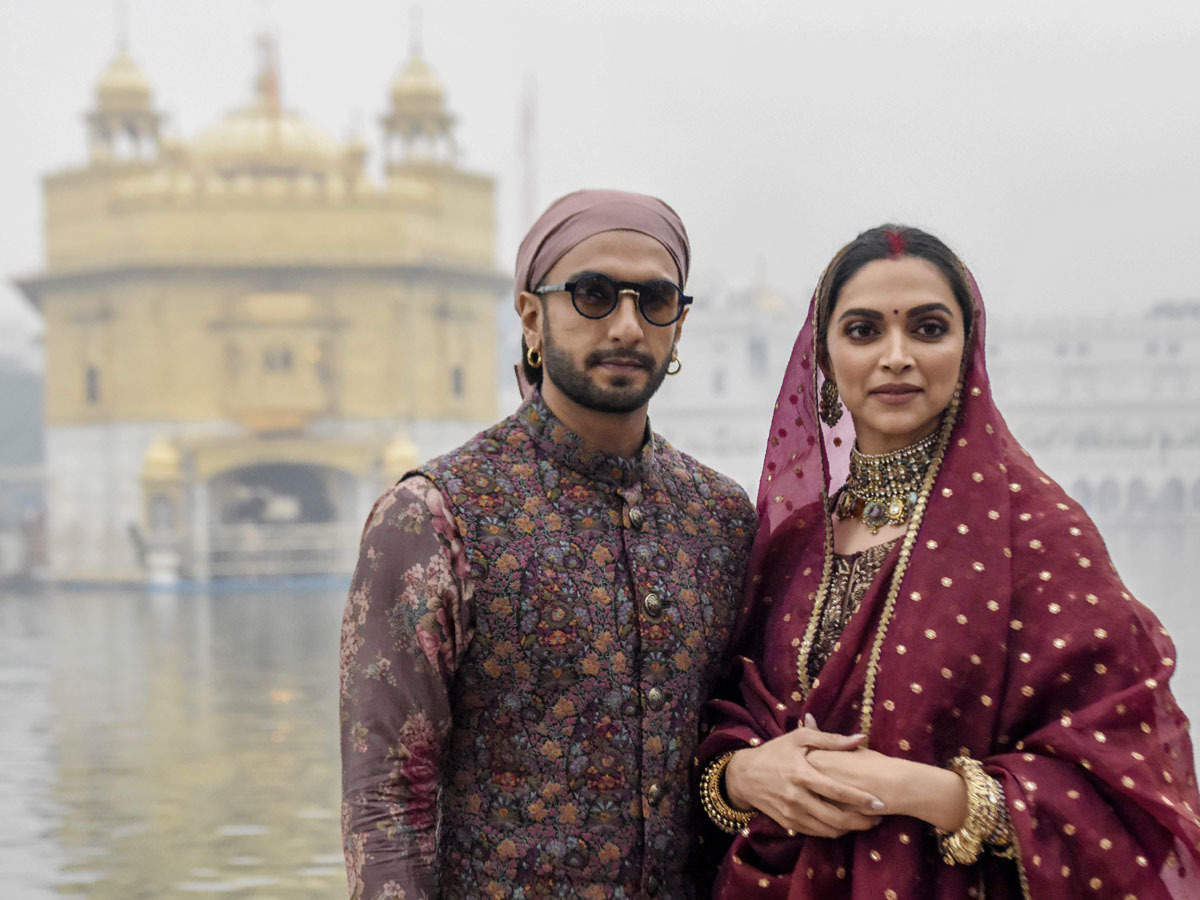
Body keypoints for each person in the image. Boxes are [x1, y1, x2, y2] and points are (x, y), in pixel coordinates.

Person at [696, 224, 1200, 897]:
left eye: (928, 329)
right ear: (824, 357)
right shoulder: (791, 544)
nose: (896, 356)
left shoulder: (1037, 535)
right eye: (864, 330)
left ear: (968, 351)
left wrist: (925, 792)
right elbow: (724, 723)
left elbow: (1126, 778)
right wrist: (740, 777)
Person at [340, 189, 757, 898]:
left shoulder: (718, 519)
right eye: (593, 294)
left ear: (679, 328)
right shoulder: (435, 517)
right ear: (533, 317)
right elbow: (387, 803)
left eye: (654, 300)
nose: (627, 325)